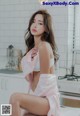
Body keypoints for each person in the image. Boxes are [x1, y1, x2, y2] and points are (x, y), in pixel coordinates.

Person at [9, 9, 60, 116]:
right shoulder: (32, 50)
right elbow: (30, 78)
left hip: (47, 101)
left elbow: (45, 81)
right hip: (38, 97)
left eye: (40, 23)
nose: (35, 25)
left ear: (46, 28)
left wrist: (31, 99)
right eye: (34, 21)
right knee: (6, 108)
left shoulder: (44, 46)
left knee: (15, 98)